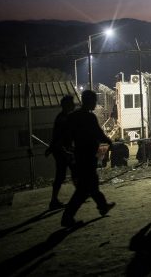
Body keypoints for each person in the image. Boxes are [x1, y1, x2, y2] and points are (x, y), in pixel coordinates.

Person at [61, 90, 115, 227]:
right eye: (94, 101)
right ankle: (67, 217)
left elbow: (67, 136)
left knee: (91, 184)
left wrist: (69, 149)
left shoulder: (73, 117)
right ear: (89, 101)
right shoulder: (89, 117)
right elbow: (98, 133)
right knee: (84, 189)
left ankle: (103, 206)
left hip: (80, 155)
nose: (95, 104)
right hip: (87, 156)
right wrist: (109, 142)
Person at [45, 95, 76, 210]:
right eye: (71, 103)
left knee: (64, 174)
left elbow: (56, 136)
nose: (73, 105)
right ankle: (55, 200)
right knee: (64, 174)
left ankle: (54, 200)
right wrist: (64, 150)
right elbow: (60, 137)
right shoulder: (64, 119)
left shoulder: (62, 117)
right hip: (62, 151)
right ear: (67, 105)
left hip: (62, 150)